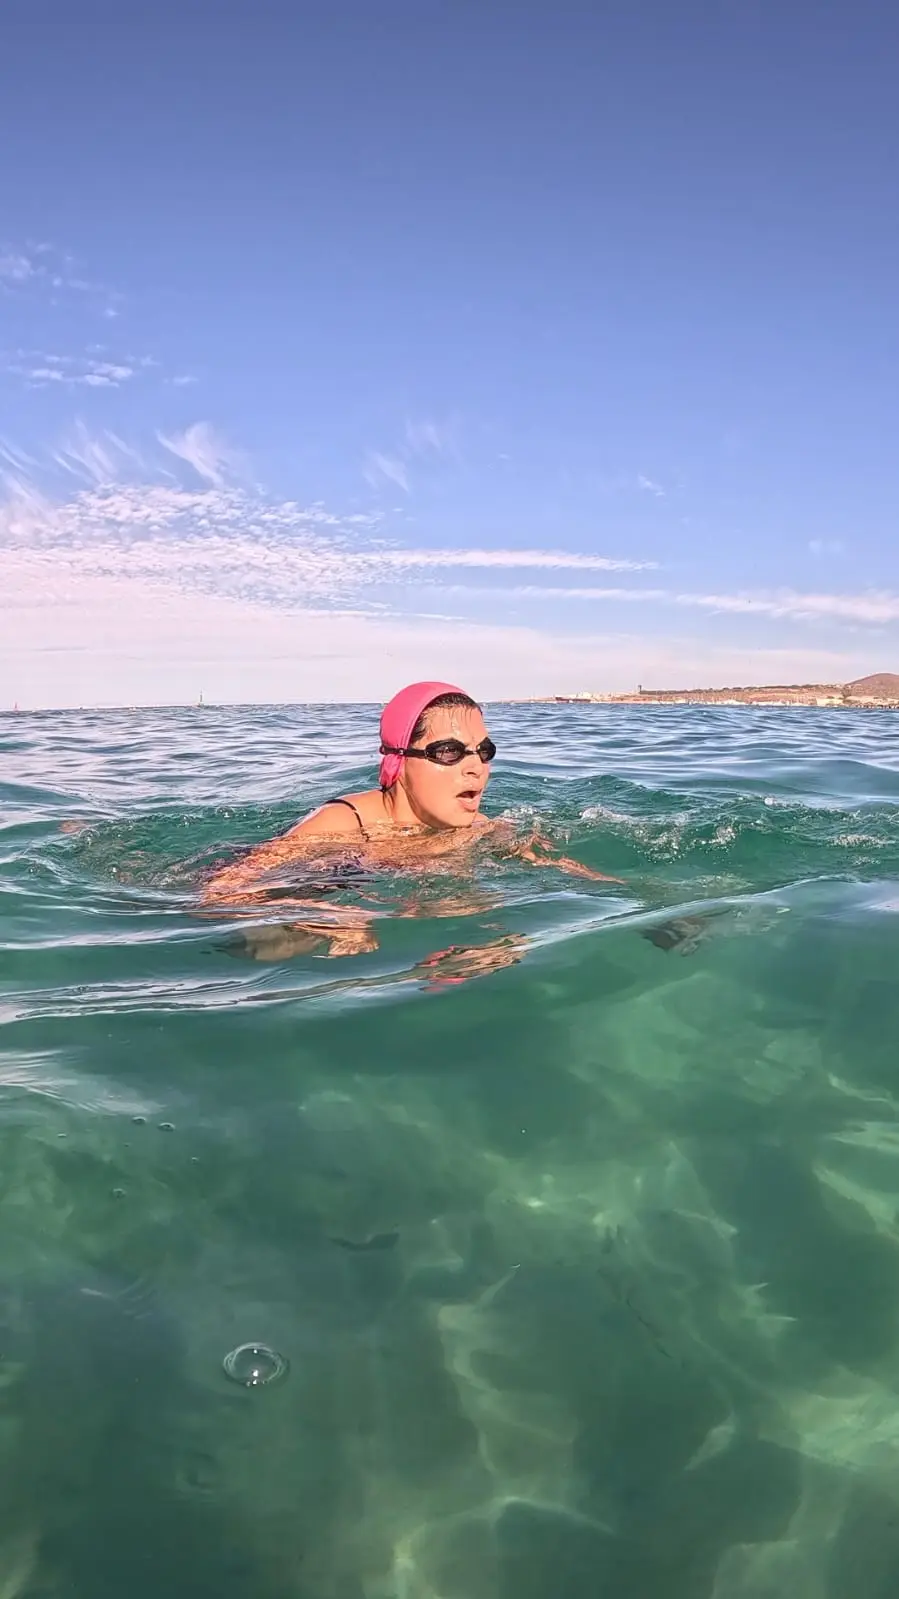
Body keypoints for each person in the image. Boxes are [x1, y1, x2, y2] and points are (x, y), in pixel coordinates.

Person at [201, 681, 621, 975]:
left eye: (484, 751)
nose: (476, 767)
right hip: (321, 881)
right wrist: (318, 915)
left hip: (390, 906)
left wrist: (643, 909)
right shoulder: (342, 824)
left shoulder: (482, 828)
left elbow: (570, 873)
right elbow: (217, 896)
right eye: (449, 752)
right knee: (270, 946)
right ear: (399, 761)